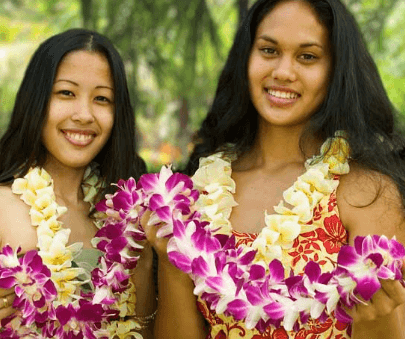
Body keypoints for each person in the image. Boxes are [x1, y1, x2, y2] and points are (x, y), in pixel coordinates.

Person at [146, 0, 405, 338]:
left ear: (337, 70)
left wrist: (375, 316)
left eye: (307, 56)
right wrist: (170, 261)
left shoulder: (365, 194)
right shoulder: (200, 192)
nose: (283, 71)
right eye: (269, 50)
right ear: (246, 59)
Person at [0, 28, 157, 339]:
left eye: (101, 98)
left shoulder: (127, 221)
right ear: (37, 101)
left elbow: (146, 331)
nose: (84, 115)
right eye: (66, 93)